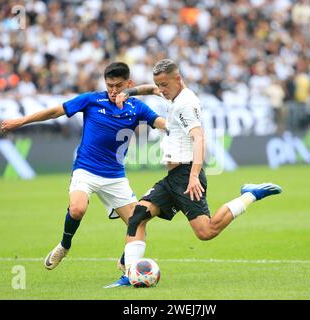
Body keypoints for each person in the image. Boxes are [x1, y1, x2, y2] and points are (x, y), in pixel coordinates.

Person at [106, 59, 282, 287]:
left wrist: (193, 176)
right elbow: (150, 90)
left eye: (164, 85)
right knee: (138, 215)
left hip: (187, 175)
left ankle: (250, 195)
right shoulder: (172, 93)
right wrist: (129, 91)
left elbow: (199, 138)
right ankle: (129, 274)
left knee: (206, 231)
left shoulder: (185, 105)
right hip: (173, 178)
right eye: (158, 84)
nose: (160, 90)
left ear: (178, 79)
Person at [1, 62, 167, 271]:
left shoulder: (137, 107)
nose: (114, 91)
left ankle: (127, 264)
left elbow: (161, 122)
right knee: (77, 209)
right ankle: (64, 245)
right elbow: (55, 112)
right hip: (86, 170)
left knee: (138, 222)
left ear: (129, 83)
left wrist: (178, 125)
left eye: (118, 85)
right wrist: (21, 121)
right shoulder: (91, 100)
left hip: (115, 176)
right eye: (110, 85)